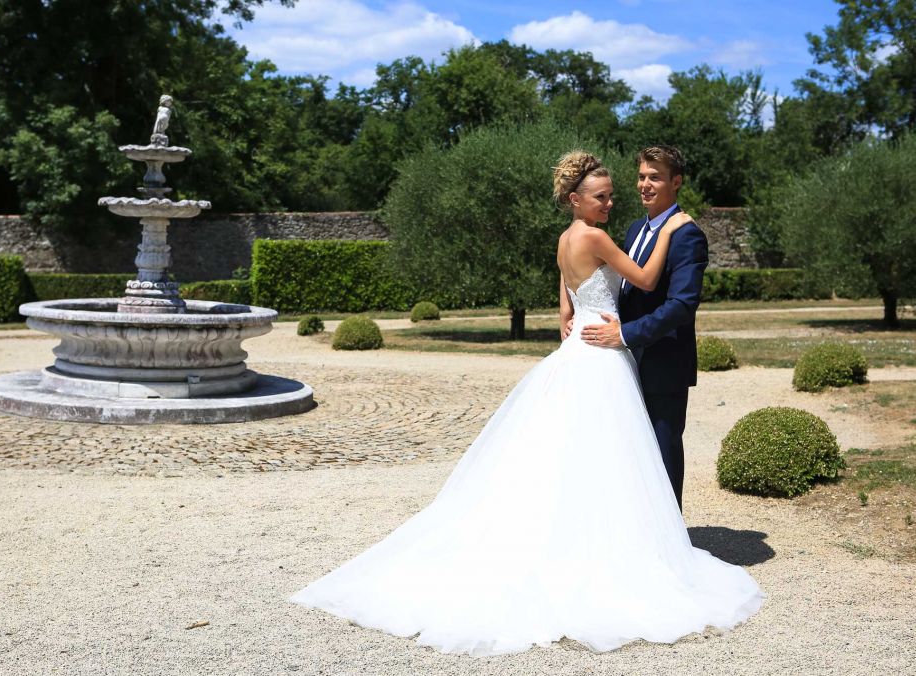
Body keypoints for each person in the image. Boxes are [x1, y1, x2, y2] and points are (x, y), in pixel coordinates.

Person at [290, 151, 763, 657]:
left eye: (634, 185)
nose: (619, 197)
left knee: (595, 453)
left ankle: (634, 542)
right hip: (603, 357)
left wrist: (572, 310)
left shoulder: (570, 236)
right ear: (575, 198)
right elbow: (644, 281)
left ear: (674, 182)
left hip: (595, 351)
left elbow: (602, 290)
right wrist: (664, 237)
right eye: (605, 193)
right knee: (610, 452)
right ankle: (629, 550)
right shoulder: (613, 231)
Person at [575, 145, 707, 511]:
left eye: (656, 177)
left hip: (663, 361)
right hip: (622, 363)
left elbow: (682, 305)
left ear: (675, 182)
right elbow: (624, 288)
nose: (645, 185)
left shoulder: (687, 234)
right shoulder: (635, 230)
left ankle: (670, 543)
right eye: (642, 176)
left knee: (662, 453)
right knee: (627, 454)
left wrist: (626, 334)